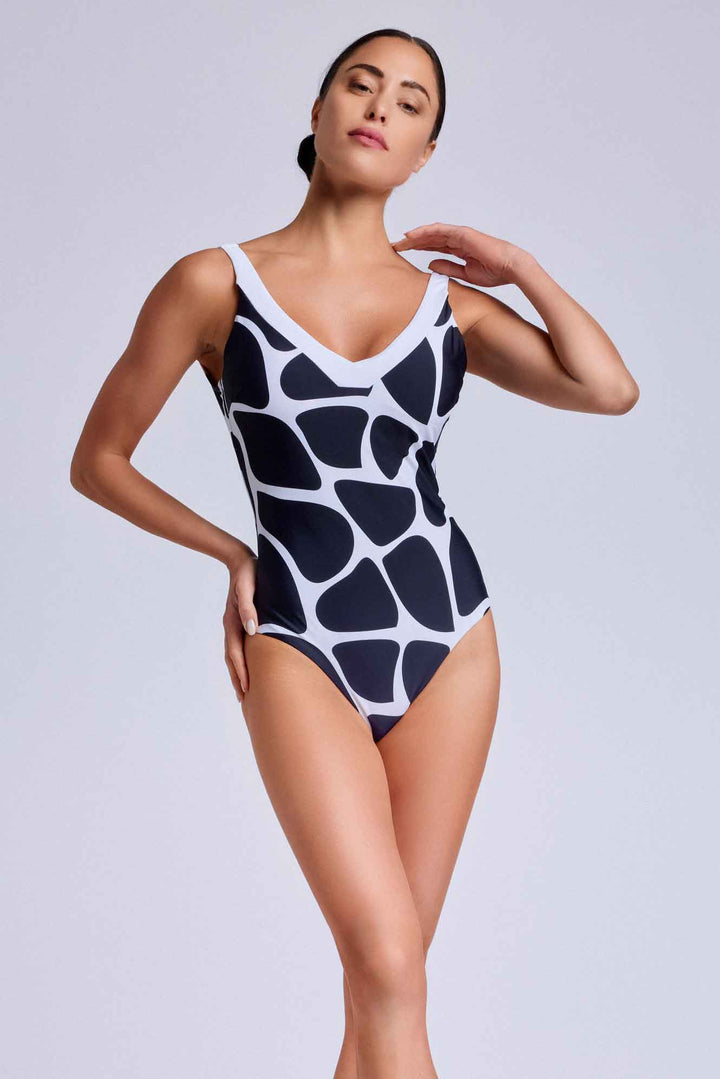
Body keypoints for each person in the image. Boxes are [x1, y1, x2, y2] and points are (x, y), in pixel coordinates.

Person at [70, 27, 639, 1079]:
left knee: (390, 981)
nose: (381, 107)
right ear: (320, 110)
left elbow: (607, 388)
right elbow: (98, 460)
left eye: (412, 103)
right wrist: (231, 554)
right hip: (297, 634)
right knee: (385, 966)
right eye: (361, 85)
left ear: (425, 154)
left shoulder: (450, 309)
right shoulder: (215, 282)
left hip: (450, 635)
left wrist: (520, 269)